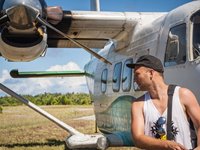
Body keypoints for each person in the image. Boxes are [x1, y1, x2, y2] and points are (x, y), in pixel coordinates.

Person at [126, 55, 200, 150]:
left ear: (151, 73)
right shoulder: (138, 105)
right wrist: (166, 145)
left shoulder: (183, 95)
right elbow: (138, 138)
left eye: (137, 74)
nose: (134, 80)